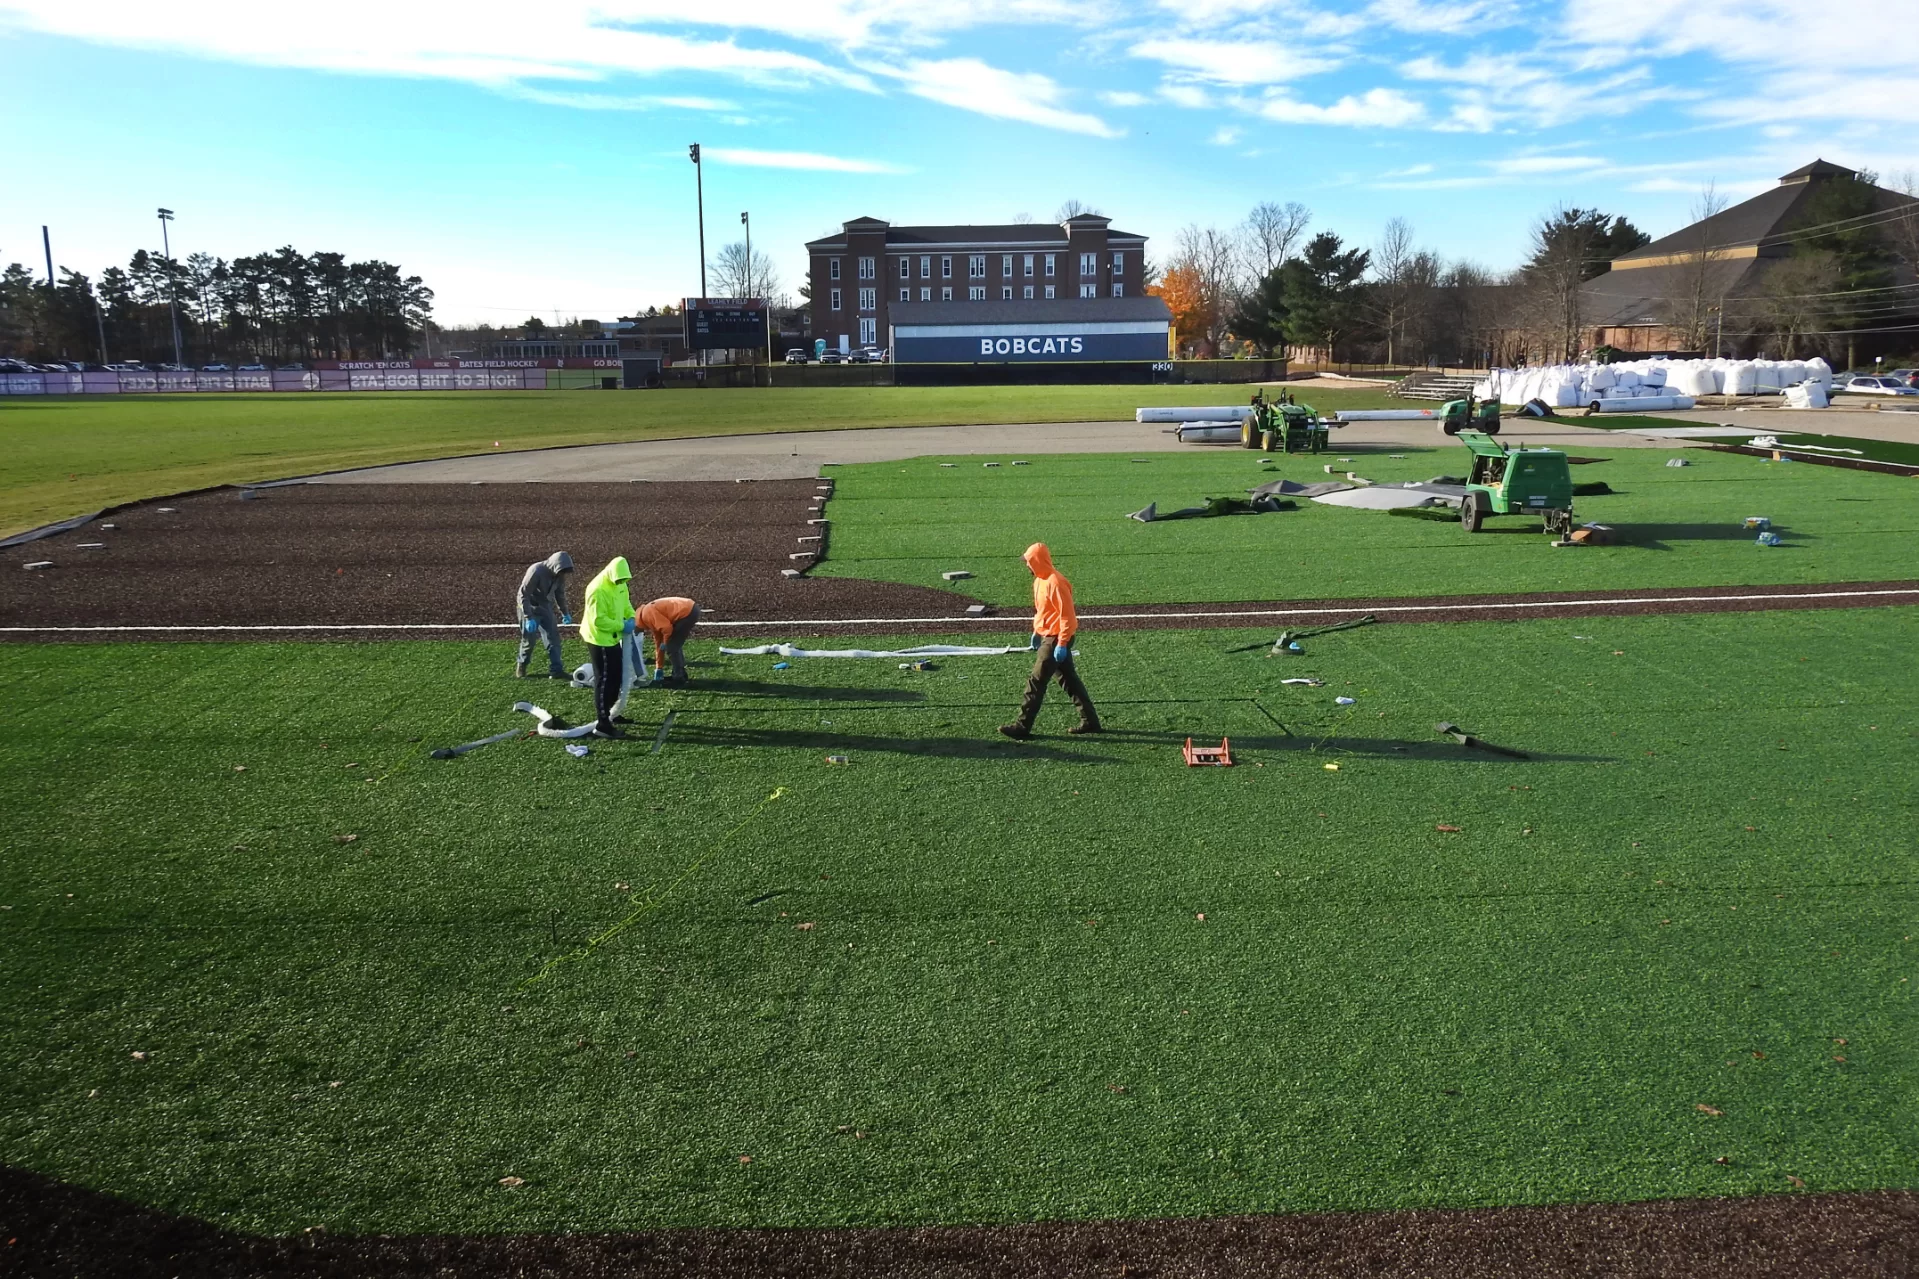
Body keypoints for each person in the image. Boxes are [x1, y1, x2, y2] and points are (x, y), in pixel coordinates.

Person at [999, 542, 1101, 740]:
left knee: (1036, 681)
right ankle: (1091, 722)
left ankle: (1022, 727)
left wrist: (1062, 643)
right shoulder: (1039, 580)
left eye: (1029, 562)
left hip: (1056, 638)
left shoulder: (1056, 582)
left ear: (1037, 561)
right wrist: (1038, 631)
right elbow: (1044, 611)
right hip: (1049, 635)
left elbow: (1067, 617)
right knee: (1069, 680)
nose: (1027, 565)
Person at [578, 556, 637, 738]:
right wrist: (621, 626)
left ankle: (612, 713)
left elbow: (625, 604)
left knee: (617, 677)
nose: (621, 582)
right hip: (599, 639)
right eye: (619, 580)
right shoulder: (597, 589)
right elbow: (599, 620)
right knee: (604, 681)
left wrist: (631, 616)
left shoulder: (620, 583)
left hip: (612, 637)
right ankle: (603, 723)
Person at [515, 551, 574, 678]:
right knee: (529, 640)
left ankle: (556, 670)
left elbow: (560, 594)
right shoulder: (536, 571)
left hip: (544, 606)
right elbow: (523, 595)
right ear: (554, 565)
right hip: (529, 606)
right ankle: (522, 665)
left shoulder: (559, 575)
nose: (563, 574)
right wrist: (528, 617)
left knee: (553, 637)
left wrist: (565, 613)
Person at [638, 596, 702, 685]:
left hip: (687, 612)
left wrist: (665, 642)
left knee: (671, 647)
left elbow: (667, 629)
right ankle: (680, 674)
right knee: (674, 646)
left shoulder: (646, 616)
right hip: (690, 609)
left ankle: (679, 678)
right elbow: (658, 644)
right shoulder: (647, 616)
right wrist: (658, 667)